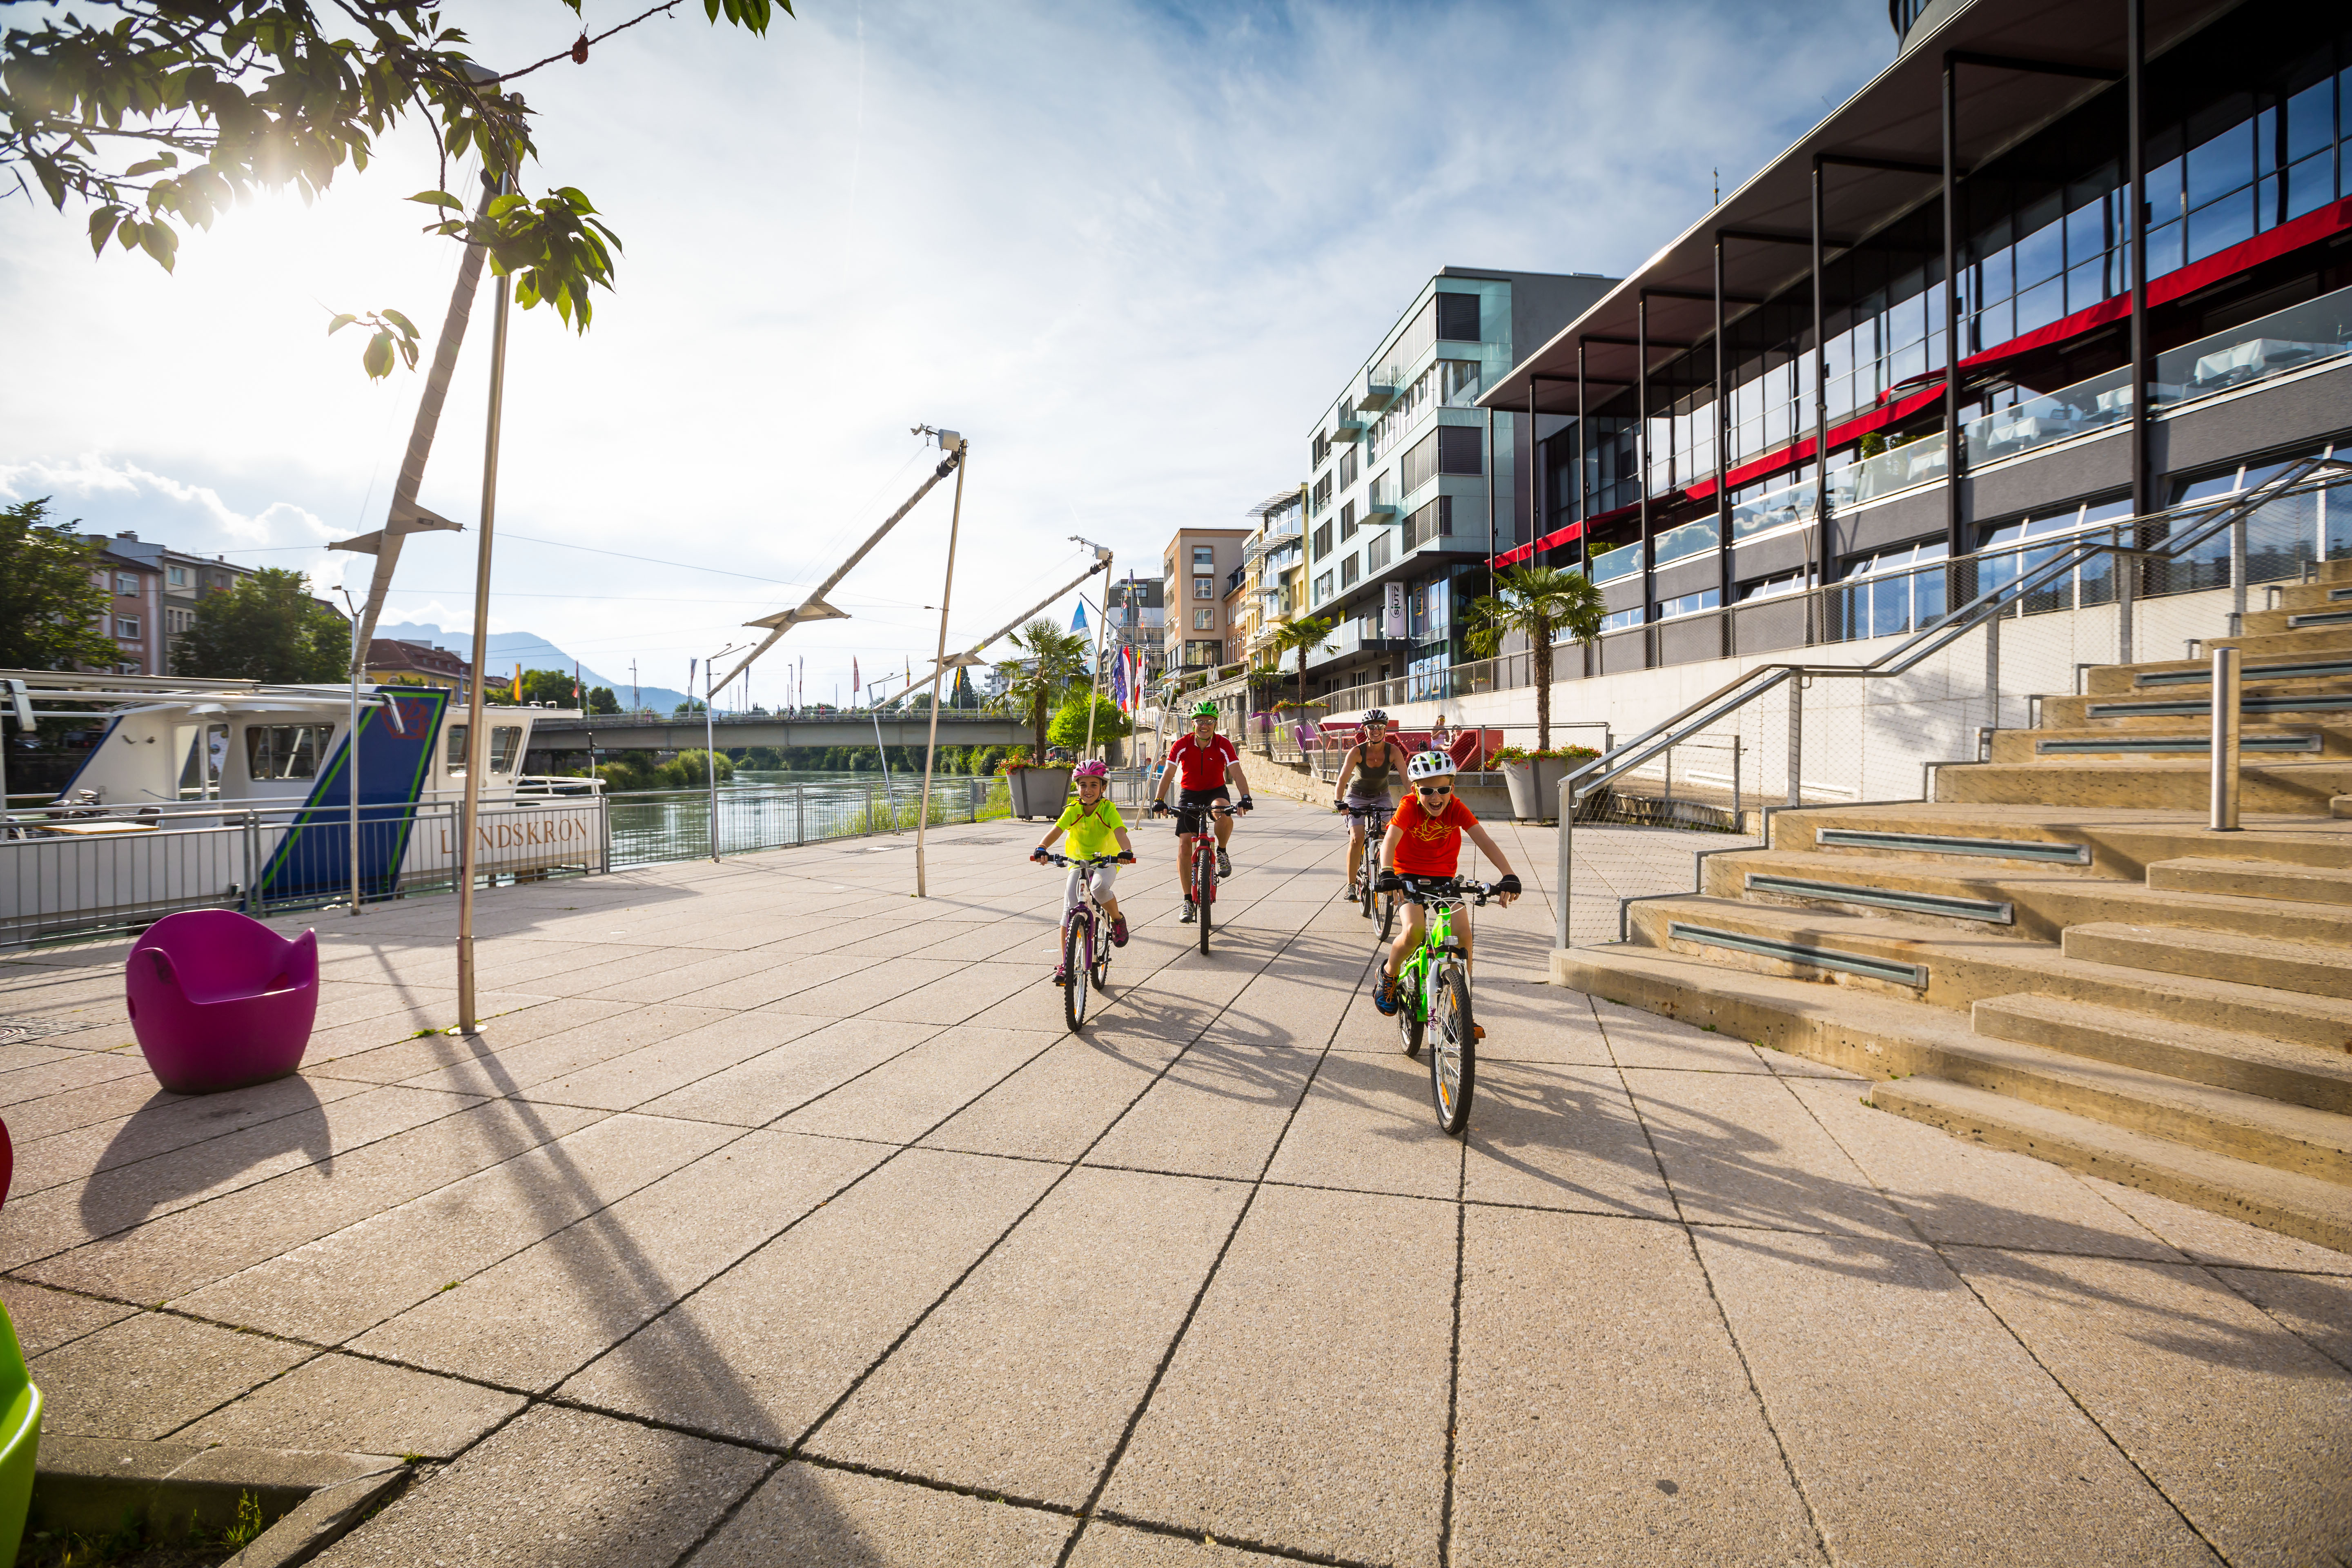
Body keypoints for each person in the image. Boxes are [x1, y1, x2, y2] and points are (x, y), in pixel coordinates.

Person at [1372, 750, 1521, 1015]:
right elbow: (1391, 840)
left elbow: (1484, 841)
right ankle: (1388, 975)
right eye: (1428, 790)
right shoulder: (1409, 806)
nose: (1436, 797)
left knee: (1464, 935)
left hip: (1444, 878)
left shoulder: (1456, 808)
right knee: (1414, 932)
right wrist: (1387, 872)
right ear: (1415, 789)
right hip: (1406, 873)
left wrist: (1508, 874)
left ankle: (1460, 1010)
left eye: (1443, 790)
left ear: (1452, 788)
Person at [1031, 760, 1136, 980]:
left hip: (1106, 861)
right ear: (1077, 787)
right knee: (1069, 909)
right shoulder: (1073, 810)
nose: (1088, 790)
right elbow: (1057, 829)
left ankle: (1117, 920)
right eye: (1083, 785)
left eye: (1094, 785)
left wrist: (1126, 851)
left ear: (1103, 788)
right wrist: (1042, 847)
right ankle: (1065, 964)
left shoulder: (1108, 809)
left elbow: (1119, 831)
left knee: (1099, 888)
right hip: (1077, 862)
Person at [1151, 701, 1253, 923]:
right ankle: (1188, 900)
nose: (1204, 725)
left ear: (1216, 723)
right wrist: (1159, 800)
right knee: (1185, 844)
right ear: (1193, 723)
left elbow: (1237, 772)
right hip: (1189, 793)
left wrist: (1245, 798)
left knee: (1223, 811)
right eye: (1200, 721)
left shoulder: (1224, 744)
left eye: (1209, 721)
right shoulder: (1182, 744)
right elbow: (1168, 773)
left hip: (1215, 790)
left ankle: (1223, 852)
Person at [1330, 708, 1410, 901]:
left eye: (1380, 727)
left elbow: (1406, 779)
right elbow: (1342, 779)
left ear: (1385, 730)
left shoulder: (1393, 751)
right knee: (1357, 838)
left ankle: (1385, 874)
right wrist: (1339, 801)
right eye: (1371, 727)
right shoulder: (1357, 751)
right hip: (1356, 797)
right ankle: (1351, 885)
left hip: (1381, 796)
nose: (1376, 730)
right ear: (1365, 730)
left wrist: (1415, 800)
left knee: (1385, 834)